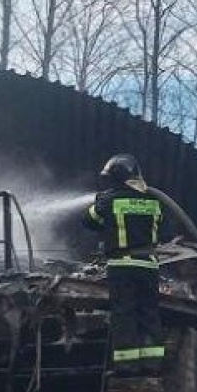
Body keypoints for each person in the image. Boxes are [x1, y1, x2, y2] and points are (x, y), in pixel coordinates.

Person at [83, 153, 165, 377]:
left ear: (116, 177)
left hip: (123, 265)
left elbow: (89, 221)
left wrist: (99, 201)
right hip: (149, 265)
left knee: (125, 313)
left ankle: (126, 365)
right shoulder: (154, 200)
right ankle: (153, 364)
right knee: (149, 312)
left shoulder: (110, 200)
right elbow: (158, 224)